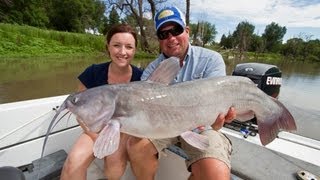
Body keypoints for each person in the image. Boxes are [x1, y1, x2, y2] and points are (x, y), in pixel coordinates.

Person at [126, 6, 235, 180]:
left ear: (187, 30)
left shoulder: (211, 60)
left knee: (216, 172)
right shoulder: (152, 70)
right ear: (159, 40)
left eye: (176, 30)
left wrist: (217, 120)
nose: (171, 38)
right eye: (163, 34)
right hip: (162, 127)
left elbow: (216, 109)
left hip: (201, 128)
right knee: (135, 146)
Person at [60, 23, 143, 180]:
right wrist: (96, 138)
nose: (123, 52)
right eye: (117, 45)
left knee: (114, 163)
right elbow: (80, 113)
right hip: (94, 128)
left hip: (125, 129)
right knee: (73, 162)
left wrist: (112, 139)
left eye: (129, 47)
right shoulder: (92, 72)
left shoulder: (141, 78)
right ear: (108, 47)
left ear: (134, 50)